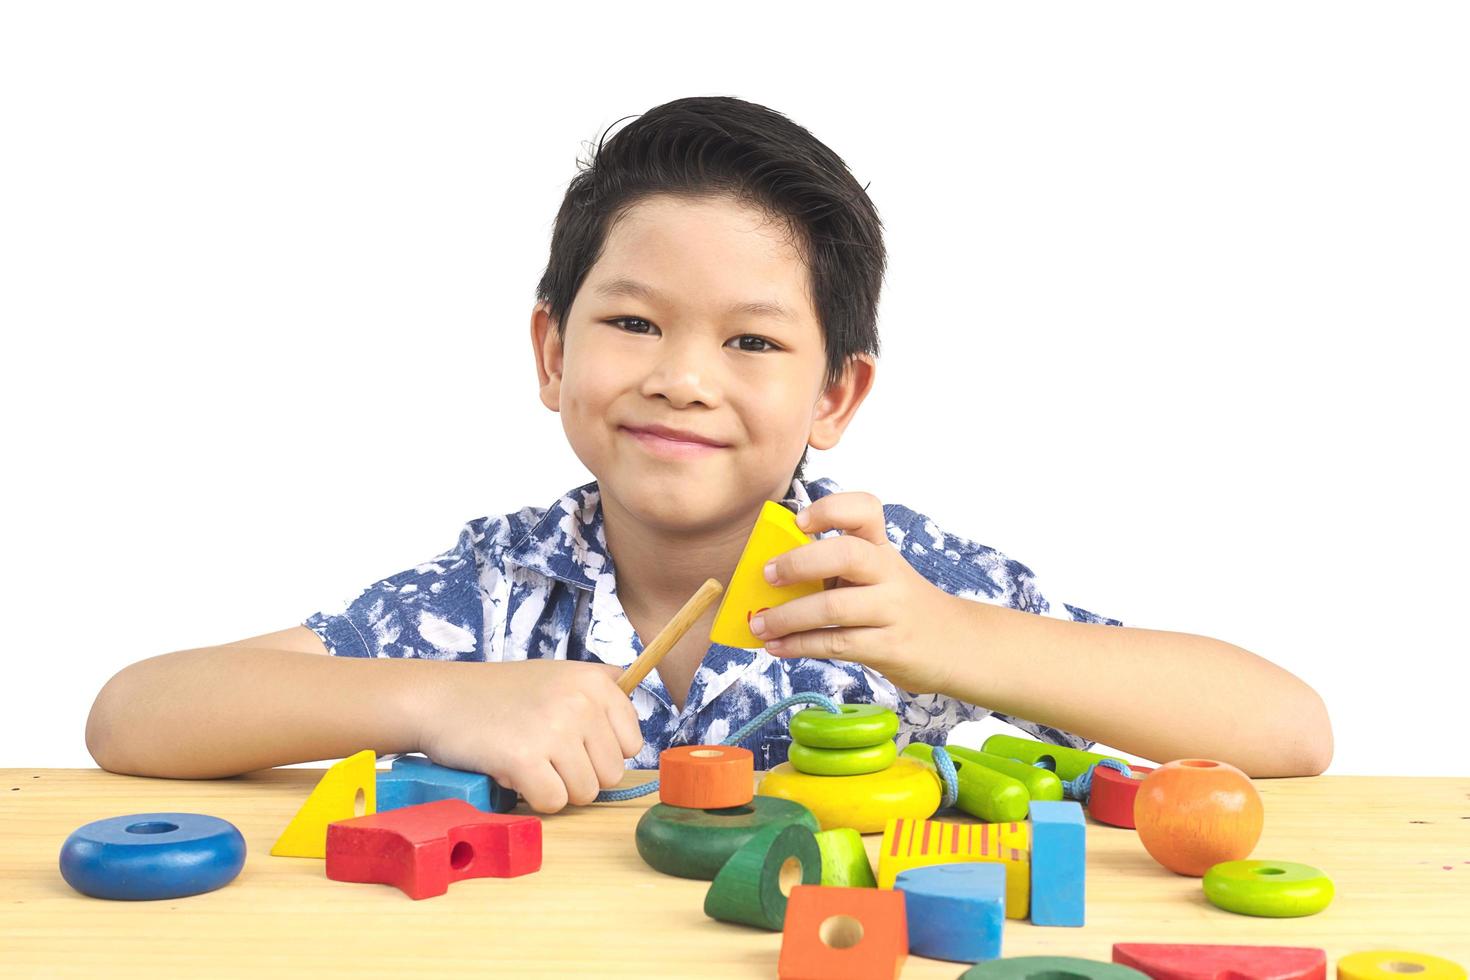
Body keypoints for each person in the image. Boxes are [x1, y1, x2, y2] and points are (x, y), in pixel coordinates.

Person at [85, 96, 1333, 813]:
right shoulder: (489, 594)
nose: (681, 374)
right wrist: (436, 698)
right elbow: (133, 713)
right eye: (632, 322)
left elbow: (1287, 725)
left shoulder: (883, 580)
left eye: (751, 339)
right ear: (551, 354)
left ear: (837, 393)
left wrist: (956, 636)